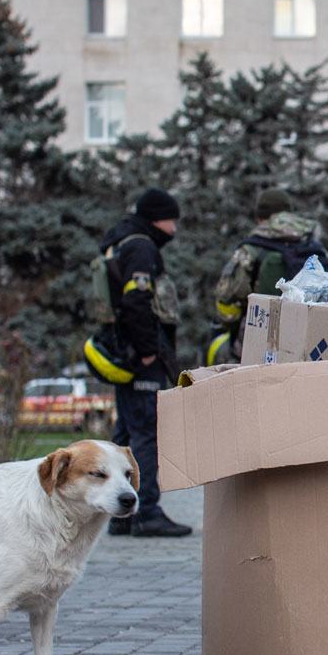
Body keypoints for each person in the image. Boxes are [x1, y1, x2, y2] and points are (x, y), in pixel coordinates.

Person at [97, 188, 192, 538]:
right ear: (157, 218)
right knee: (146, 434)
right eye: (172, 220)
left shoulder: (122, 242)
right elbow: (136, 299)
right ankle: (146, 510)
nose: (175, 228)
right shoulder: (141, 246)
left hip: (126, 350)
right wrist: (149, 349)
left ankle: (122, 513)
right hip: (140, 356)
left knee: (125, 433)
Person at [211, 188, 328, 363]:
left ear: (260, 217)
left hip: (261, 340)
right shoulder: (311, 244)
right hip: (311, 341)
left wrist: (231, 325)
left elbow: (226, 299)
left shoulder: (251, 249)